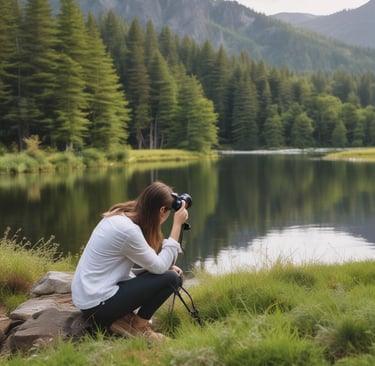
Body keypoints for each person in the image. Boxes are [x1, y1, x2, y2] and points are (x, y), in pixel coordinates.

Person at [71, 181, 189, 341]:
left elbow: (117, 269)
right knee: (172, 278)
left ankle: (119, 320)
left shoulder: (119, 216)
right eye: (167, 214)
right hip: (96, 305)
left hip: (87, 296)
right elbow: (160, 267)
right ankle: (138, 327)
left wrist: (148, 271)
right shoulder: (128, 231)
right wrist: (177, 225)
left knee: (166, 273)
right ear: (162, 211)